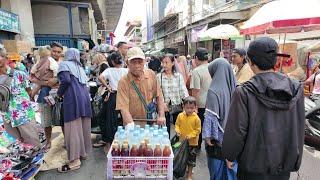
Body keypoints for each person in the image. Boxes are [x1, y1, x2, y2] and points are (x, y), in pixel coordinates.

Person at [222, 37, 305, 180]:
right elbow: (299, 126)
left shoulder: (244, 92)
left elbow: (237, 132)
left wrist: (230, 155)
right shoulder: (295, 88)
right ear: (275, 60)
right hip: (283, 166)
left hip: (252, 169)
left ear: (250, 61)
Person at [56, 48, 92, 173]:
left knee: (72, 129)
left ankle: (75, 160)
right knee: (83, 126)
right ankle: (83, 153)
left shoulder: (64, 64)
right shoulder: (80, 68)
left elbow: (65, 80)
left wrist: (59, 94)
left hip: (72, 98)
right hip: (85, 98)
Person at [202, 58, 237, 180]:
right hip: (234, 139)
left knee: (217, 173)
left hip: (218, 142)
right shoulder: (236, 88)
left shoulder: (213, 90)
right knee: (230, 173)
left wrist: (207, 137)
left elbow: (210, 118)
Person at [0, 47, 40, 148]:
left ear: (5, 58)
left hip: (24, 116)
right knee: (16, 148)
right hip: (7, 117)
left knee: (33, 145)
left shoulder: (19, 74)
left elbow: (29, 92)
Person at [116, 47, 166, 127]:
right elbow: (123, 108)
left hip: (151, 122)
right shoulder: (123, 82)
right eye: (133, 62)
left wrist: (162, 115)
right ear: (127, 63)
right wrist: (131, 126)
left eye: (140, 62)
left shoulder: (151, 75)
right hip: (132, 123)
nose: (137, 66)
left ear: (144, 62)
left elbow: (159, 96)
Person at [30, 42, 63, 152]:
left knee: (62, 119)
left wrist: (56, 80)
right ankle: (48, 141)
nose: (56, 54)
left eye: (59, 52)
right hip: (44, 95)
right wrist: (41, 85)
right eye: (54, 51)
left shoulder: (63, 65)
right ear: (50, 51)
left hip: (59, 95)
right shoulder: (42, 63)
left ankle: (66, 140)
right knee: (46, 120)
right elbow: (37, 79)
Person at [94, 52, 128, 152]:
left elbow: (100, 78)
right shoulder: (125, 70)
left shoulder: (109, 70)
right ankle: (125, 142)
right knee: (125, 118)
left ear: (112, 61)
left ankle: (111, 143)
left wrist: (108, 87)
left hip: (113, 95)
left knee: (111, 120)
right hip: (124, 95)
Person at [157, 54, 188, 135]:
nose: (164, 65)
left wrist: (186, 104)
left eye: (166, 62)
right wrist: (162, 104)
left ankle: (178, 145)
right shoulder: (159, 76)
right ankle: (167, 146)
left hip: (177, 105)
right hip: (165, 107)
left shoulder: (178, 76)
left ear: (173, 63)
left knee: (179, 129)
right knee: (165, 130)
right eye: (162, 62)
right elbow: (157, 92)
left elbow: (183, 90)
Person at [190, 47, 212, 150]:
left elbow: (196, 91)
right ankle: (210, 145)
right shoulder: (213, 67)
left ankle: (197, 146)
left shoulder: (197, 71)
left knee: (198, 126)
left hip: (201, 104)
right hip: (212, 103)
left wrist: (194, 106)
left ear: (196, 58)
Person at [175, 96, 201, 180]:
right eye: (187, 108)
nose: (189, 110)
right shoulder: (180, 116)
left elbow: (198, 130)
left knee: (191, 160)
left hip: (192, 143)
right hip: (182, 142)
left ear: (195, 107)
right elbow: (177, 125)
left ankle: (189, 175)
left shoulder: (196, 118)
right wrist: (177, 131)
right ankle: (184, 170)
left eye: (192, 108)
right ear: (183, 107)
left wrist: (190, 135)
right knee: (182, 158)